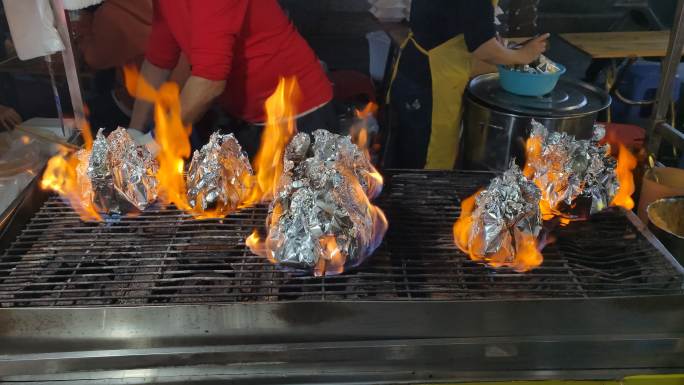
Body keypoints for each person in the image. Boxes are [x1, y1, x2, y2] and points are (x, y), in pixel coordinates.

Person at [127, 0, 336, 149]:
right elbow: (158, 60)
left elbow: (209, 80)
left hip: (299, 115)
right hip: (244, 116)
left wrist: (157, 141)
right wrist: (134, 132)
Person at [387, 0, 549, 169]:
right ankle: (423, 194)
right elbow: (483, 48)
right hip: (431, 80)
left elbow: (454, 19)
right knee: (428, 163)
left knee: (407, 157)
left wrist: (490, 39)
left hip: (418, 68)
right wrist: (523, 56)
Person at [73, 0, 189, 132]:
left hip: (141, 103)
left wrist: (85, 23)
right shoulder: (167, 7)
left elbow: (95, 58)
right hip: (182, 96)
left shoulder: (110, 13)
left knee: (86, 107)